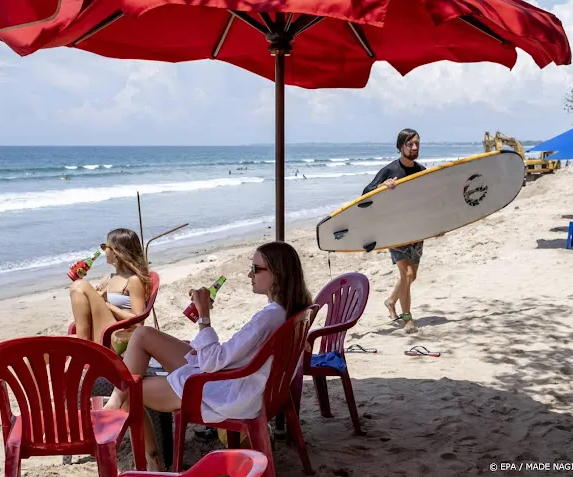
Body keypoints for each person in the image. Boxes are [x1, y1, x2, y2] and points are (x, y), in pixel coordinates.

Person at [103, 241, 312, 471]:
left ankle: (154, 462)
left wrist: (204, 314)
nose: (248, 274)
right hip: (239, 381)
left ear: (277, 274)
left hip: (222, 391)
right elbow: (232, 354)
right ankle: (115, 401)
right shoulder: (285, 312)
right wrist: (200, 342)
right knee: (143, 334)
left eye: (255, 269)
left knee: (131, 390)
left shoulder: (267, 319)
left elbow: (213, 361)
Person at [362, 128, 428, 334]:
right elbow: (366, 193)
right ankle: (407, 318)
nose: (414, 147)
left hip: (415, 229)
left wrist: (437, 225)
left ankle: (391, 301)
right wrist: (382, 186)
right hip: (395, 230)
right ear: (401, 147)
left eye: (417, 143)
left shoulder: (421, 170)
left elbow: (429, 200)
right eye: (410, 144)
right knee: (407, 273)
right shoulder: (390, 170)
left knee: (411, 276)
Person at [69, 228, 150, 353]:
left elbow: (138, 323)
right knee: (49, 346)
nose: (103, 251)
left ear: (116, 252)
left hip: (116, 336)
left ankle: (82, 349)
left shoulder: (133, 281)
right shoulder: (108, 278)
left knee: (80, 286)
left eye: (104, 246)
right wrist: (77, 277)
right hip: (103, 331)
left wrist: (106, 304)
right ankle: (82, 344)